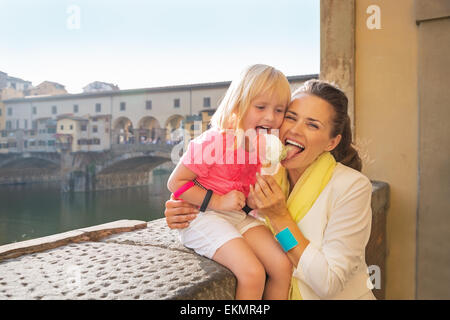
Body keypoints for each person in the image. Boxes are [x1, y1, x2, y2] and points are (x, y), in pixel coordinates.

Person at [165, 79, 376, 300]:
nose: (294, 130)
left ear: (331, 143)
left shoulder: (352, 187)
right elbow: (224, 207)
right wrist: (188, 207)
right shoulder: (265, 172)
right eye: (290, 117)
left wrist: (279, 218)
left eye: (312, 125)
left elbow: (329, 285)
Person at [166, 64, 293, 300]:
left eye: (279, 110)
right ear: (238, 105)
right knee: (253, 272)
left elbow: (247, 198)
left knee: (283, 265)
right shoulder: (215, 141)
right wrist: (220, 200)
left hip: (235, 217)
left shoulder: (261, 147)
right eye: (261, 107)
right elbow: (176, 183)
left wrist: (251, 202)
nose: (271, 117)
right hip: (202, 217)